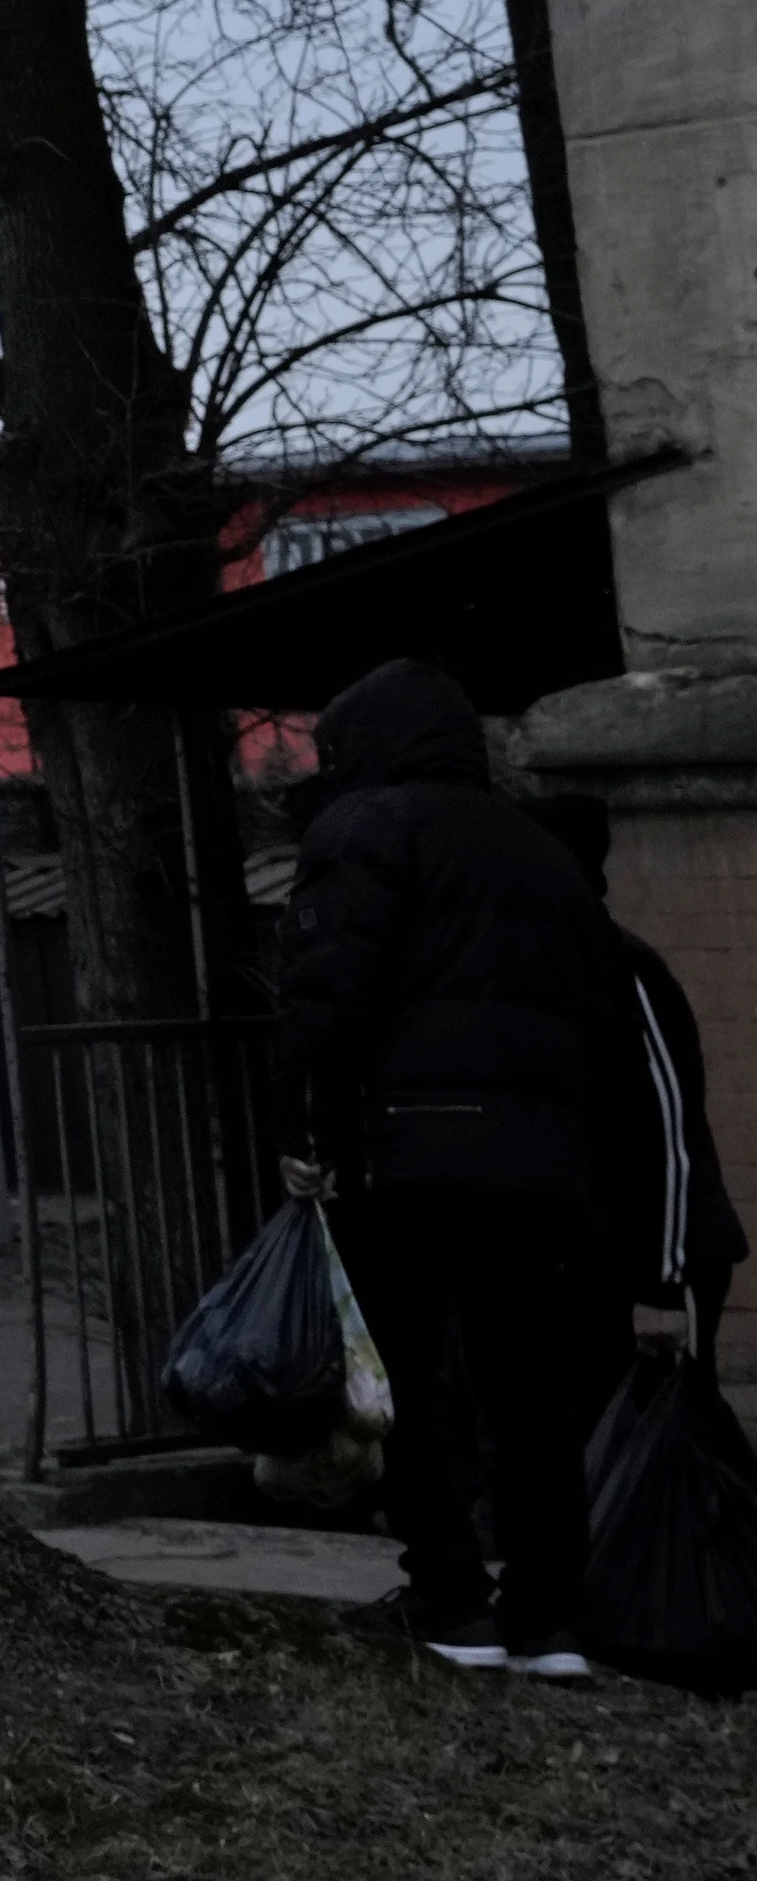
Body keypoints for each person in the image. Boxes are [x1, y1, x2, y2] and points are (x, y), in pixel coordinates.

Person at [274, 656, 638, 1678]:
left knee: (412, 1387)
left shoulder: (362, 831)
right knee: (530, 1384)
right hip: (532, 1161)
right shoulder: (538, 849)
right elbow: (596, 1017)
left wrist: (308, 1137)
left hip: (409, 1151)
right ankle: (550, 1616)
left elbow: (324, 999)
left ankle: (450, 1601)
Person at [536, 792, 743, 1369]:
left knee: (669, 1434)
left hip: (660, 1256)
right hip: (616, 1255)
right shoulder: (574, 963)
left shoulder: (618, 967)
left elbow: (666, 1125)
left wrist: (663, 1285)